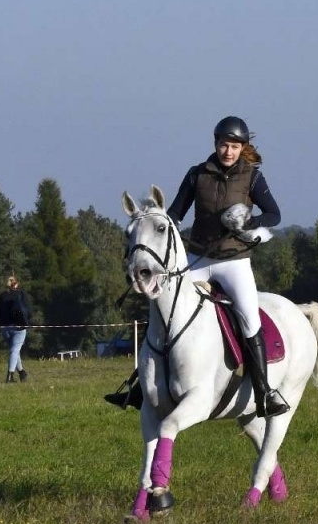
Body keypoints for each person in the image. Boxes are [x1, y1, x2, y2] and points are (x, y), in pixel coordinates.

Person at [116, 115, 287, 416]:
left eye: (234, 146)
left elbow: (274, 214)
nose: (228, 152)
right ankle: (141, 386)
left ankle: (265, 392)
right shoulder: (197, 174)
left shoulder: (252, 177)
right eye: (224, 145)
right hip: (198, 258)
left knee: (249, 318)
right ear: (216, 144)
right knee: (164, 309)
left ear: (242, 148)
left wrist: (251, 221)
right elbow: (176, 214)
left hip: (234, 261)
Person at [0, 274, 32, 383]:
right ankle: (9, 376)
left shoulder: (2, 296)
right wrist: (27, 321)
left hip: (5, 328)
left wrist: (0, 323)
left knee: (13, 351)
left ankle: (21, 372)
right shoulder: (21, 295)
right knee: (15, 350)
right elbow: (29, 311)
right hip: (18, 328)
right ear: (17, 283)